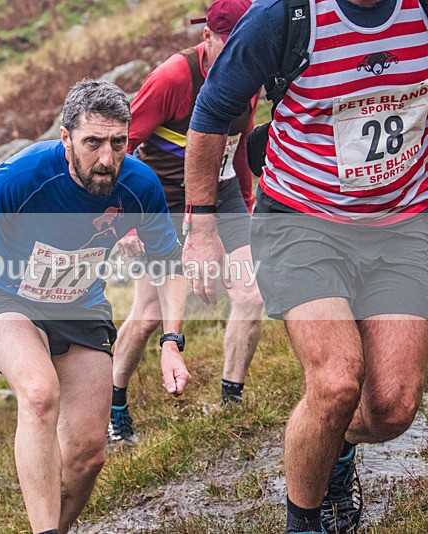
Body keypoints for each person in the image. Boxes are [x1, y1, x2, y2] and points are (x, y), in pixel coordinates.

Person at [183, 0, 428, 532]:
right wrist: (203, 228)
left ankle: (332, 444)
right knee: (337, 381)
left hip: (402, 224)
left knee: (391, 408)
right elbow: (210, 114)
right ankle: (304, 522)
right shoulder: (285, 17)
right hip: (302, 221)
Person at [0, 80, 191, 534]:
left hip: (81, 306)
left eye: (118, 143)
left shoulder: (140, 185)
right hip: (5, 295)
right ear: (66, 139)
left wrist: (172, 341)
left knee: (87, 455)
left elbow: (169, 264)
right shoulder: (26, 174)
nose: (106, 158)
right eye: (92, 143)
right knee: (39, 394)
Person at [108, 0, 262, 444]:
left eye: (246, 49)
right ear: (207, 38)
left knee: (251, 295)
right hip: (162, 203)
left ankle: (230, 400)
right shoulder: (173, 78)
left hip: (224, 195)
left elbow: (239, 143)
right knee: (151, 314)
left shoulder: (250, 71)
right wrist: (124, 221)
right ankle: (115, 409)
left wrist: (246, 203)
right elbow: (117, 147)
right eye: (229, 47)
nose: (239, 60)